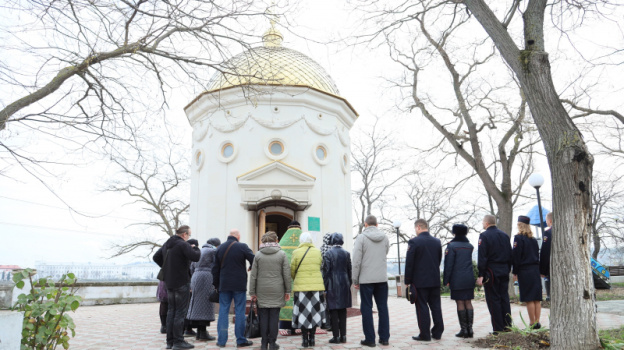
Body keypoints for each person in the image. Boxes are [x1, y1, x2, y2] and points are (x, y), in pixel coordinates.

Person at [153, 225, 201, 350]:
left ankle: (170, 342)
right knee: (180, 312)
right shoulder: (182, 244)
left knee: (171, 312)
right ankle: (178, 342)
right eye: (189, 235)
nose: (189, 237)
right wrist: (196, 248)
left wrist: (168, 267)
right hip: (181, 282)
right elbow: (196, 257)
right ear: (184, 234)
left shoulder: (167, 243)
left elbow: (156, 257)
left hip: (169, 282)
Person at [212, 229, 255, 348]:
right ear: (238, 236)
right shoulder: (242, 246)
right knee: (240, 311)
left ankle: (221, 341)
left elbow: (214, 269)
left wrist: (216, 285)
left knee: (223, 312)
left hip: (224, 285)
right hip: (239, 284)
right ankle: (241, 340)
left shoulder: (219, 248)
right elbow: (254, 259)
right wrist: (251, 266)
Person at [352, 215, 390, 347]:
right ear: (377, 225)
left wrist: (355, 279)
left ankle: (370, 339)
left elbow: (356, 260)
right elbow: (385, 252)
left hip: (366, 279)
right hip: (381, 278)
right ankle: (384, 338)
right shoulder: (384, 237)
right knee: (383, 307)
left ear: (365, 224)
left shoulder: (361, 238)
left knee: (366, 308)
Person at [249, 231, 292, 350]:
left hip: (261, 290)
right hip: (277, 289)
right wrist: (288, 291)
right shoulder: (282, 254)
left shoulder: (258, 255)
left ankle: (264, 343)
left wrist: (252, 292)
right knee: (274, 316)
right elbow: (286, 274)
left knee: (263, 317)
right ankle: (272, 343)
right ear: (276, 240)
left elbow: (253, 275)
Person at [405, 219, 444, 341]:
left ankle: (425, 334)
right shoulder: (437, 242)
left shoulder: (414, 242)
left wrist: (407, 280)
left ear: (418, 227)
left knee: (422, 306)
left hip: (420, 281)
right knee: (436, 306)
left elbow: (409, 263)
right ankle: (438, 332)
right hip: (434, 279)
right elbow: (438, 259)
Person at [476, 215, 513, 334]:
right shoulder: (505, 235)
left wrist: (481, 274)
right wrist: (509, 268)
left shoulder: (484, 236)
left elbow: (482, 256)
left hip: (492, 271)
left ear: (486, 223)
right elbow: (510, 253)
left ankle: (498, 328)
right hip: (504, 269)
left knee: (493, 300)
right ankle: (508, 325)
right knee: (504, 298)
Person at [291, 232, 325, 348]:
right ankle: (313, 338)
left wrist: (298, 279)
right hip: (316, 287)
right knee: (314, 313)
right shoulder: (318, 252)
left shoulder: (296, 252)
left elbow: (292, 269)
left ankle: (304, 339)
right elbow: (320, 266)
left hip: (301, 288)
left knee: (303, 313)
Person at [443, 224, 475, 338]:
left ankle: (464, 330)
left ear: (454, 233)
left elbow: (448, 265)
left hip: (457, 279)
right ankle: (470, 330)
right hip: (469, 277)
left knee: (460, 302)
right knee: (468, 302)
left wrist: (446, 280)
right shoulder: (470, 246)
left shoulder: (451, 246)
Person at [186, 238, 221, 341]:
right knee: (206, 304)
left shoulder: (199, 251)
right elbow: (216, 266)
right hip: (207, 277)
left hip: (195, 277)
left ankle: (199, 332)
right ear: (216, 245)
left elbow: (191, 267)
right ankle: (203, 333)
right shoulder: (213, 251)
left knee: (197, 305)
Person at [322, 232, 352, 344]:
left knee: (333, 310)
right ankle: (343, 336)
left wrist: (324, 287)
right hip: (344, 282)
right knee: (343, 310)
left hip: (332, 283)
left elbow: (326, 272)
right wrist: (348, 283)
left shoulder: (328, 253)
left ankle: (336, 337)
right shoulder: (347, 253)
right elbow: (349, 270)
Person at [513, 216, 543, 329]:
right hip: (535, 269)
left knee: (529, 298)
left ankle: (532, 323)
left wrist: (514, 271)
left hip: (524, 270)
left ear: (520, 225)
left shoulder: (518, 238)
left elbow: (516, 256)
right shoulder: (534, 239)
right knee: (536, 298)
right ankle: (537, 321)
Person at [278, 221, 302, 334]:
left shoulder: (283, 241)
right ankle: (300, 325)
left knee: (288, 300)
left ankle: (286, 326)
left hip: (286, 277)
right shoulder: (303, 239)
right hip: (300, 278)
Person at [184, 239, 200, 338]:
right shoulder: (191, 256)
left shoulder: (184, 254)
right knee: (188, 308)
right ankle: (188, 329)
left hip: (186, 284)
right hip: (189, 284)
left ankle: (187, 328)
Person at [540, 212, 553, 301]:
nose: (546, 223)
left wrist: (542, 270)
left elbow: (545, 252)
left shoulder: (548, 233)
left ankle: (549, 296)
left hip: (551, 264)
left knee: (548, 279)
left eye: (546, 221)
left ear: (550, 221)